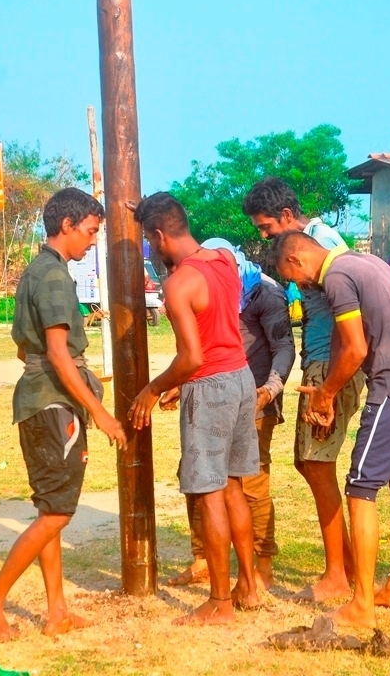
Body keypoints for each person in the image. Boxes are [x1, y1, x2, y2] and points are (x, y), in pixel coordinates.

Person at [0, 187, 125, 643]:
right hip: (52, 404)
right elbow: (57, 352)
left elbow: (25, 347)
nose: (93, 241)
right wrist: (100, 412)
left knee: (49, 508)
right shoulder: (54, 276)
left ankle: (57, 610)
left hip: (38, 400)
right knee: (57, 513)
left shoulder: (38, 270)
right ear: (67, 225)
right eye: (91, 232)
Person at [270, 231, 390, 628]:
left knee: (360, 490)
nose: (298, 285)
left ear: (296, 259)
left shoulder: (337, 276)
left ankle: (361, 604)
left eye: (292, 278)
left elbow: (355, 348)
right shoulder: (369, 261)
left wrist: (326, 394)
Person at [128, 193, 260, 625]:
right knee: (235, 487)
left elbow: (191, 358)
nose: (150, 247)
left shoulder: (178, 284)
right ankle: (249, 586)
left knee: (208, 494)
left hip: (210, 387)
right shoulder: (223, 259)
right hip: (241, 377)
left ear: (159, 235)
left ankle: (220, 601)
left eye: (149, 238)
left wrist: (153, 388)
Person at [242, 176, 365, 602]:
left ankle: (338, 574)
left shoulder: (321, 244)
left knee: (315, 462)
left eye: (266, 227)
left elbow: (348, 310)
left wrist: (329, 382)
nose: (265, 237)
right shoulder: (321, 241)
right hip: (324, 361)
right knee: (312, 462)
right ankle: (344, 565)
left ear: (288, 217)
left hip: (328, 364)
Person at [169, 238, 296, 590]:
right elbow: (204, 347)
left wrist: (269, 390)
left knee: (250, 486)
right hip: (211, 396)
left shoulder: (265, 294)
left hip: (252, 399)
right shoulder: (214, 282)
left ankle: (262, 566)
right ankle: (203, 560)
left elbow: (285, 347)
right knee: (197, 479)